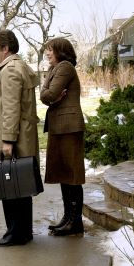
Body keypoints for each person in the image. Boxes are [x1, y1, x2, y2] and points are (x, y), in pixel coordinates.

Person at [0, 30, 40, 247]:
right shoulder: (18, 67)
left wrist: (7, 140)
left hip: (11, 139)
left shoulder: (10, 70)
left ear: (5, 48)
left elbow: (11, 108)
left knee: (9, 184)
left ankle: (15, 233)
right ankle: (23, 231)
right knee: (20, 184)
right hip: (19, 136)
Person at [40, 38, 86, 237]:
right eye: (47, 51)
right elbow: (45, 94)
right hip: (59, 127)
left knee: (72, 175)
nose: (47, 54)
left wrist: (50, 95)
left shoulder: (65, 67)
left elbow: (48, 95)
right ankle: (67, 218)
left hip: (69, 127)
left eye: (50, 50)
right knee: (63, 174)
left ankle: (75, 222)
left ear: (61, 51)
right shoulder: (54, 68)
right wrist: (48, 94)